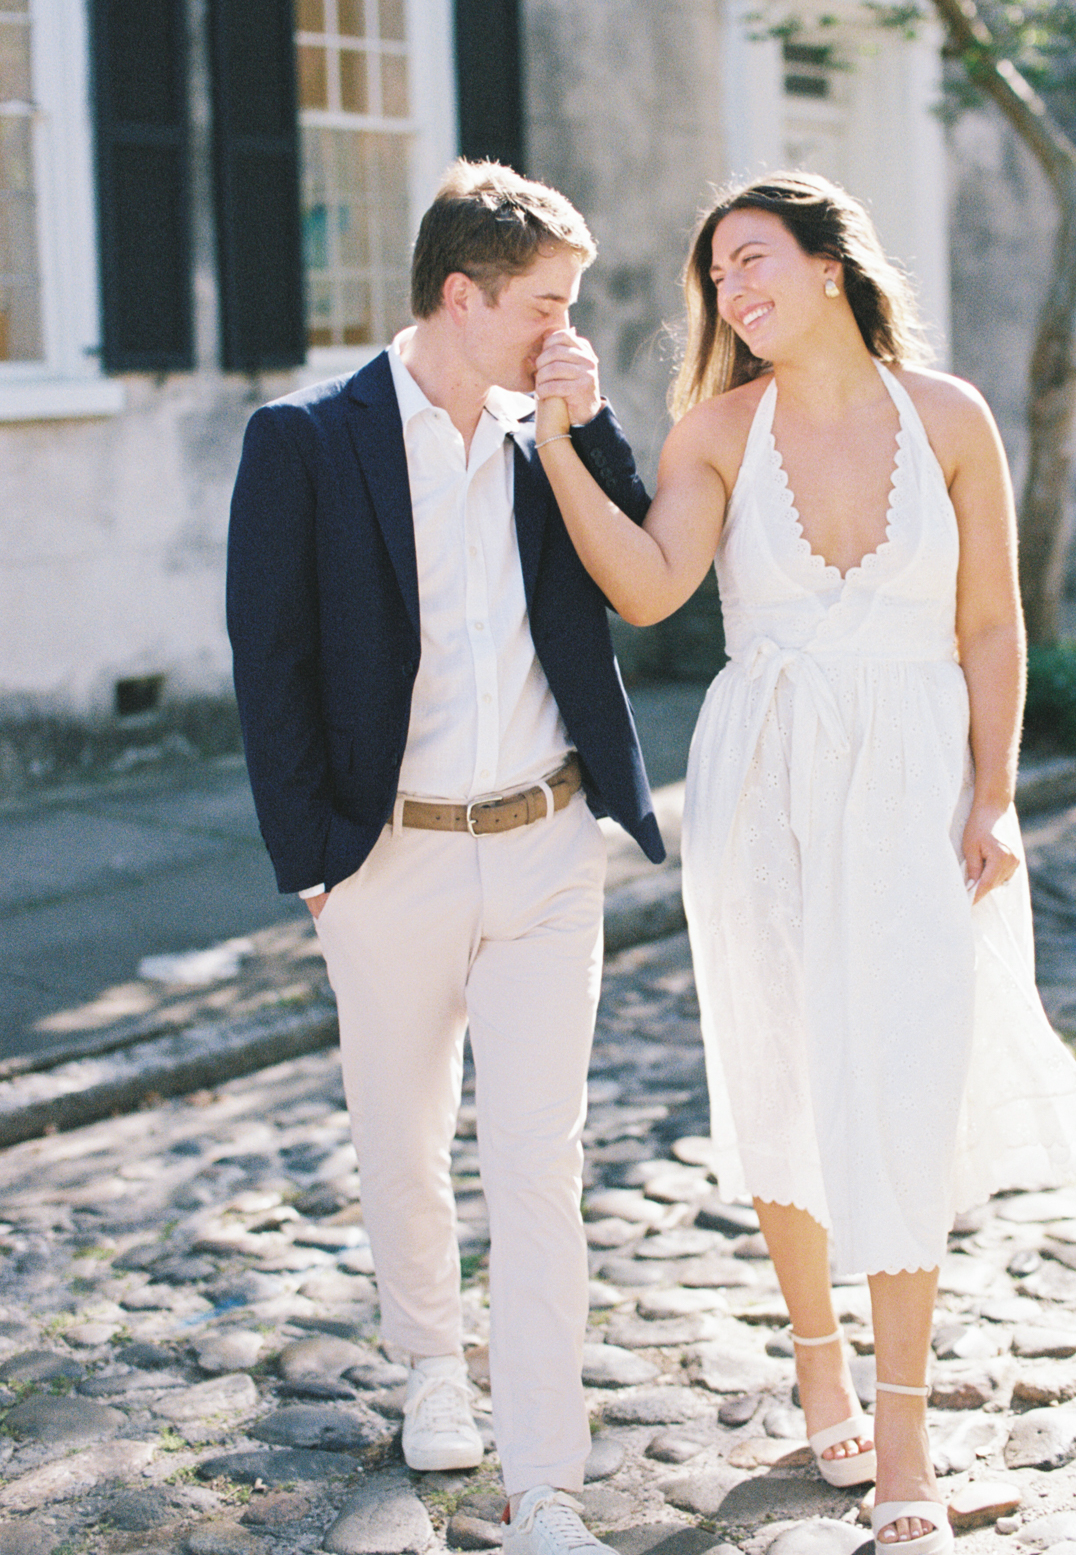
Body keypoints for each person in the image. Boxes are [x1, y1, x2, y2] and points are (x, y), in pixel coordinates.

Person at [532, 172, 1076, 1555]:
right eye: (716, 279)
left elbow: (990, 622)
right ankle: (818, 1368)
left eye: (751, 261)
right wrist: (560, 445)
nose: (731, 293)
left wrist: (998, 793)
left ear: (833, 263)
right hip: (771, 776)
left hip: (919, 780)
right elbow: (652, 586)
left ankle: (904, 1427)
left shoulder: (956, 418)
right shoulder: (716, 430)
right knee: (782, 1062)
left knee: (906, 1079)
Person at [226, 159, 664, 1555]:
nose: (570, 332)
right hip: (388, 861)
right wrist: (317, 863)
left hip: (545, 848)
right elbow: (269, 661)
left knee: (539, 1164)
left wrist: (587, 431)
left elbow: (634, 572)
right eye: (550, 306)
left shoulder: (554, 426)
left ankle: (545, 1488)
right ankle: (429, 1362)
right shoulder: (303, 440)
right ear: (464, 299)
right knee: (403, 1138)